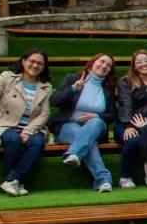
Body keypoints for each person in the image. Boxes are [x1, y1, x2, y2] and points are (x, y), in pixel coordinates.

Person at [0, 51, 52, 197]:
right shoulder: (7, 77)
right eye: (32, 61)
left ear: (44, 67)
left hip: (31, 127)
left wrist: (28, 131)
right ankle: (16, 181)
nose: (35, 65)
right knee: (14, 140)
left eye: (40, 63)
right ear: (24, 61)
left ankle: (13, 180)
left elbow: (45, 114)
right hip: (6, 124)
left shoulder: (46, 87)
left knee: (38, 142)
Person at [50, 53, 118, 192]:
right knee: (87, 140)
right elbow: (54, 101)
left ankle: (75, 153)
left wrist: (97, 115)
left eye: (108, 65)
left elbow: (113, 115)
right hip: (67, 126)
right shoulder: (72, 79)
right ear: (93, 63)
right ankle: (104, 180)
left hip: (96, 128)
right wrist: (73, 89)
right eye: (102, 62)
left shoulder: (108, 91)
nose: (104, 66)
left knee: (95, 122)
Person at [116, 50, 147, 189]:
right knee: (132, 140)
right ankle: (126, 176)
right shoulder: (126, 82)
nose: (143, 64)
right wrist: (128, 125)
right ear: (134, 66)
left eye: (146, 60)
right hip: (127, 123)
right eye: (139, 62)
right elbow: (125, 104)